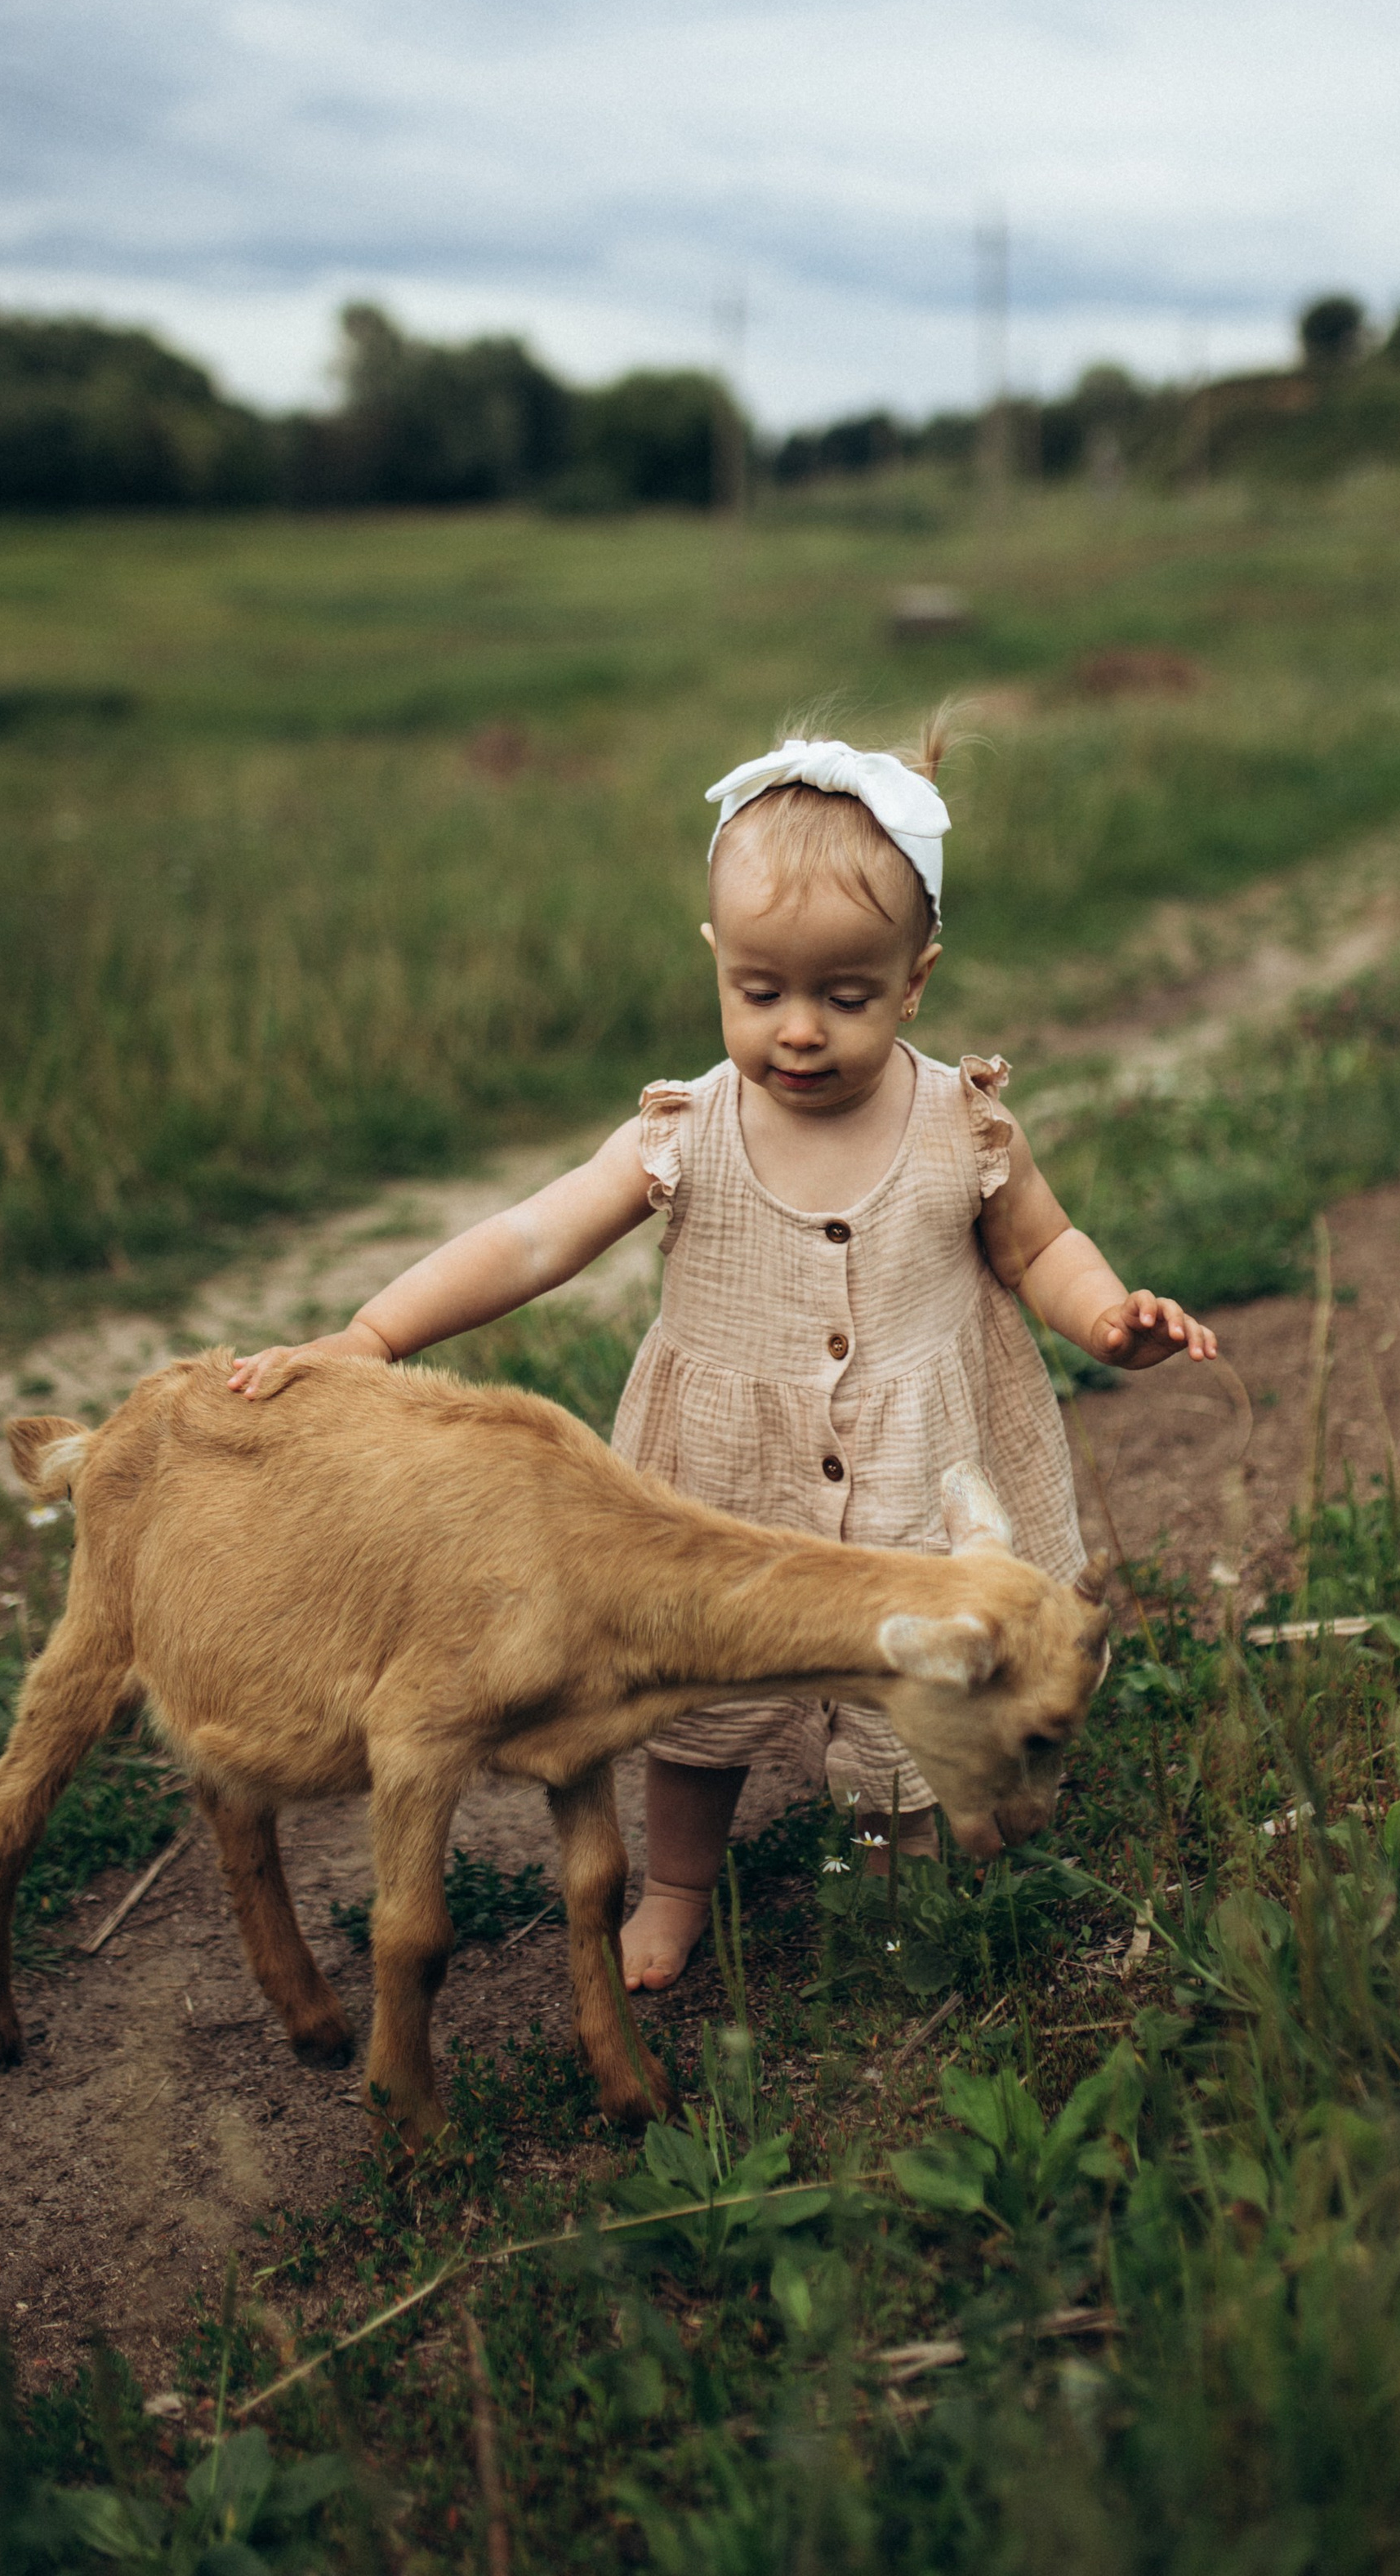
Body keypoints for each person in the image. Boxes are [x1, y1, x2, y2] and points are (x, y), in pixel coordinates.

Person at [229, 721, 1218, 1990]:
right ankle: (680, 1884)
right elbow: (533, 1239)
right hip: (721, 1480)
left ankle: (897, 1884)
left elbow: (1043, 1249)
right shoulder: (686, 1132)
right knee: (695, 1715)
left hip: (914, 1471)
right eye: (761, 994)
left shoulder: (963, 1122)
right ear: (717, 966)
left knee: (911, 1689)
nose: (798, 1032)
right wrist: (372, 1334)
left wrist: (1105, 1318)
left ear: (915, 981)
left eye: (845, 998)